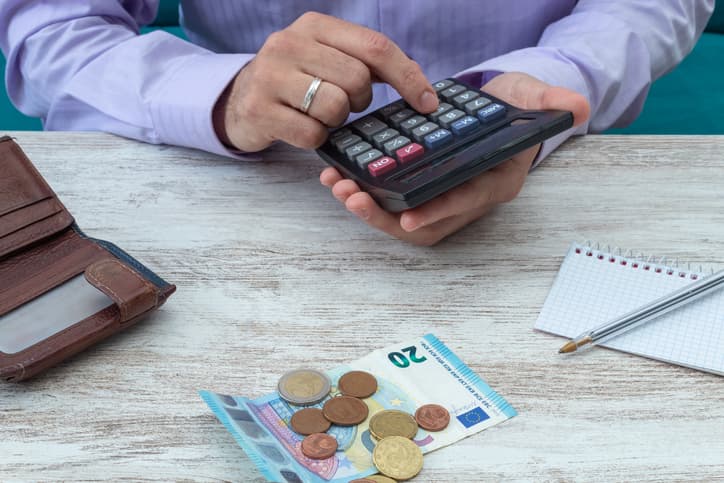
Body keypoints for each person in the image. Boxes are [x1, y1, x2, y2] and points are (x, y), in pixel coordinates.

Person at [0, 1, 714, 245]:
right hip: (234, 186)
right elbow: (52, 25)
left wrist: (548, 87)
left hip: (550, 181)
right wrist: (219, 94)